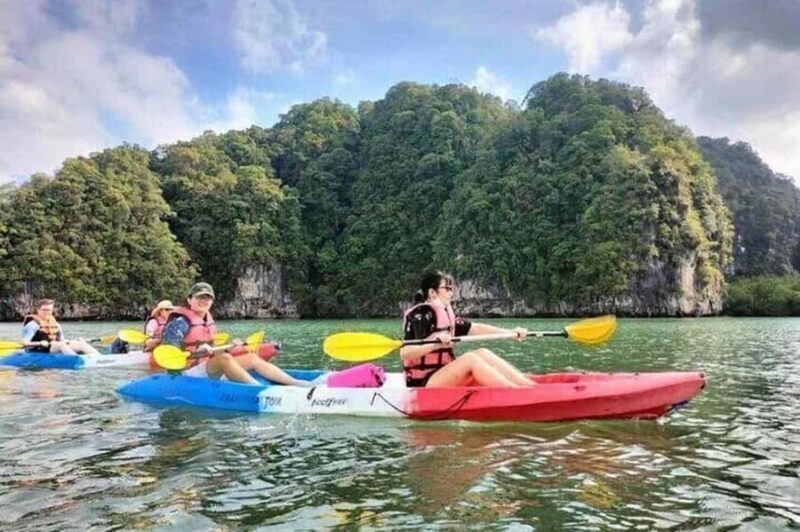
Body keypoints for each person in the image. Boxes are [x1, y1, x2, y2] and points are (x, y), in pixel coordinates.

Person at [400, 271, 534, 388]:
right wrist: (435, 344)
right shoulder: (419, 316)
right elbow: (405, 353)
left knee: (483, 353)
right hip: (424, 382)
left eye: (451, 289)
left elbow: (476, 328)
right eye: (447, 289)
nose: (451, 293)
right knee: (470, 358)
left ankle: (529, 387)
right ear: (432, 292)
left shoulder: (445, 315)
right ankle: (514, 392)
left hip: (443, 372)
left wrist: (511, 333)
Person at [160, 282, 307, 386]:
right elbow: (169, 360)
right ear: (189, 299)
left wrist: (228, 348)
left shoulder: (206, 321)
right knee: (225, 360)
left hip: (205, 367)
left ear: (212, 301)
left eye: (207, 298)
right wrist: (196, 354)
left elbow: (213, 353)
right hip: (184, 374)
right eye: (199, 297)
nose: (204, 301)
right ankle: (258, 389)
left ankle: (296, 383)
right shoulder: (179, 323)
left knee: (251, 358)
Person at [21, 299, 101, 355]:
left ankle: (100, 358)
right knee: (62, 346)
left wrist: (75, 341)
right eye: (44, 310)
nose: (47, 312)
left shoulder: (56, 325)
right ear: (38, 310)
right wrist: (40, 343)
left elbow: (62, 340)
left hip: (53, 347)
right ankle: (76, 359)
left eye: (49, 310)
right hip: (37, 349)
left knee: (81, 344)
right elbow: (24, 343)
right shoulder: (32, 325)